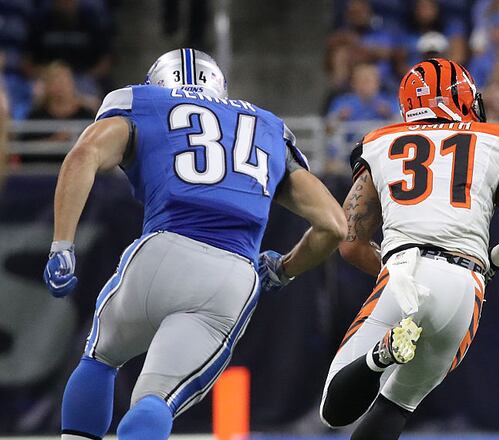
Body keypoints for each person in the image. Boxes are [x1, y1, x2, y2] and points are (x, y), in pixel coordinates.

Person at [43, 48, 345, 440]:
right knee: (155, 401)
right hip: (231, 274)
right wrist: (283, 269)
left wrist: (61, 244)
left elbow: (83, 155)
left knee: (100, 359)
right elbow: (334, 226)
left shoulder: (141, 101)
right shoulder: (267, 127)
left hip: (159, 254)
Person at [310, 58, 499, 440]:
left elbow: (350, 245)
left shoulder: (379, 142)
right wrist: (492, 265)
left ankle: (380, 355)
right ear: (464, 97)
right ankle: (383, 356)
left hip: (406, 270)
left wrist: (396, 276)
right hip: (466, 285)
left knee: (334, 411)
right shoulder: (497, 139)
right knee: (398, 403)